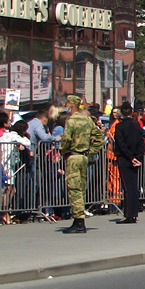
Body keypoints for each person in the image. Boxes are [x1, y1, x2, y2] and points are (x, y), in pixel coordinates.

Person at [59, 95, 104, 233]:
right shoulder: (87, 119)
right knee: (81, 188)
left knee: (74, 188)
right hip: (84, 157)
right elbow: (98, 138)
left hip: (73, 156)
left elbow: (66, 138)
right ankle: (79, 218)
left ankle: (78, 220)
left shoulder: (71, 120)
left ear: (71, 105)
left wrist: (63, 150)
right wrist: (91, 152)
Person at [113, 102, 145, 223]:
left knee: (127, 187)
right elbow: (141, 143)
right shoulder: (136, 126)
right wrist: (138, 157)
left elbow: (121, 144)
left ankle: (128, 214)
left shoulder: (120, 127)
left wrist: (131, 157)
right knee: (133, 186)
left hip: (125, 158)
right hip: (134, 158)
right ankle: (134, 213)